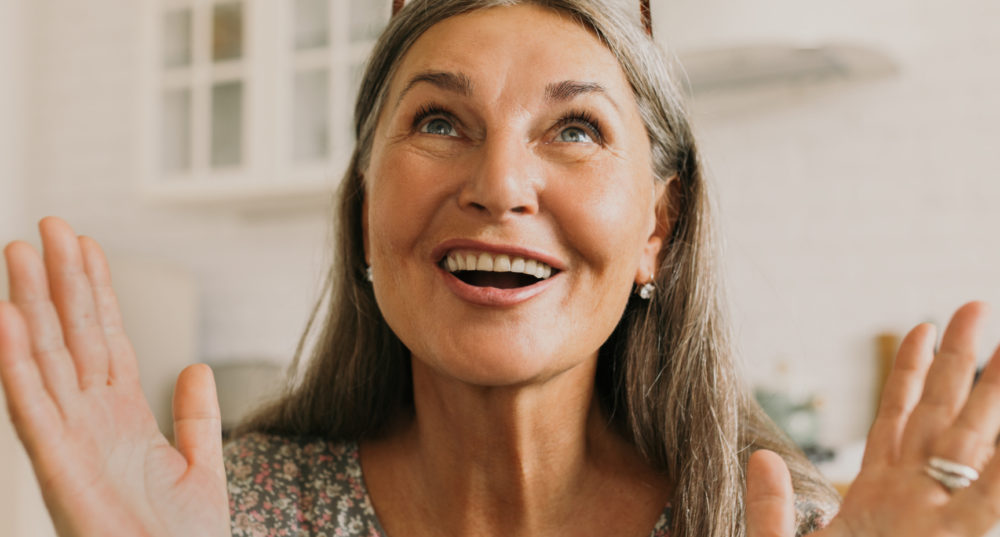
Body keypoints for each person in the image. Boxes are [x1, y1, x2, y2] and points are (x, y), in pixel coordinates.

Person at [1, 1, 999, 536]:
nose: (501, 184)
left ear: (661, 222)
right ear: (360, 214)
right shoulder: (220, 512)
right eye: (439, 121)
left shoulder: (793, 535)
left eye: (573, 129)